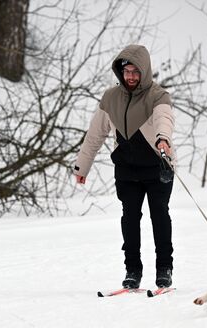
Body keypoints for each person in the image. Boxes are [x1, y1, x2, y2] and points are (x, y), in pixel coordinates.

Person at [73, 44, 176, 289]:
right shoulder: (111, 98)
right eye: (126, 71)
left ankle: (164, 269)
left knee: (159, 216)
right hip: (127, 170)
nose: (130, 76)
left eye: (135, 72)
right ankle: (133, 270)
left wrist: (163, 139)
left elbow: (165, 118)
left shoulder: (158, 95)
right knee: (129, 219)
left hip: (157, 166)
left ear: (145, 71)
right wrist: (81, 167)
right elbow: (95, 135)